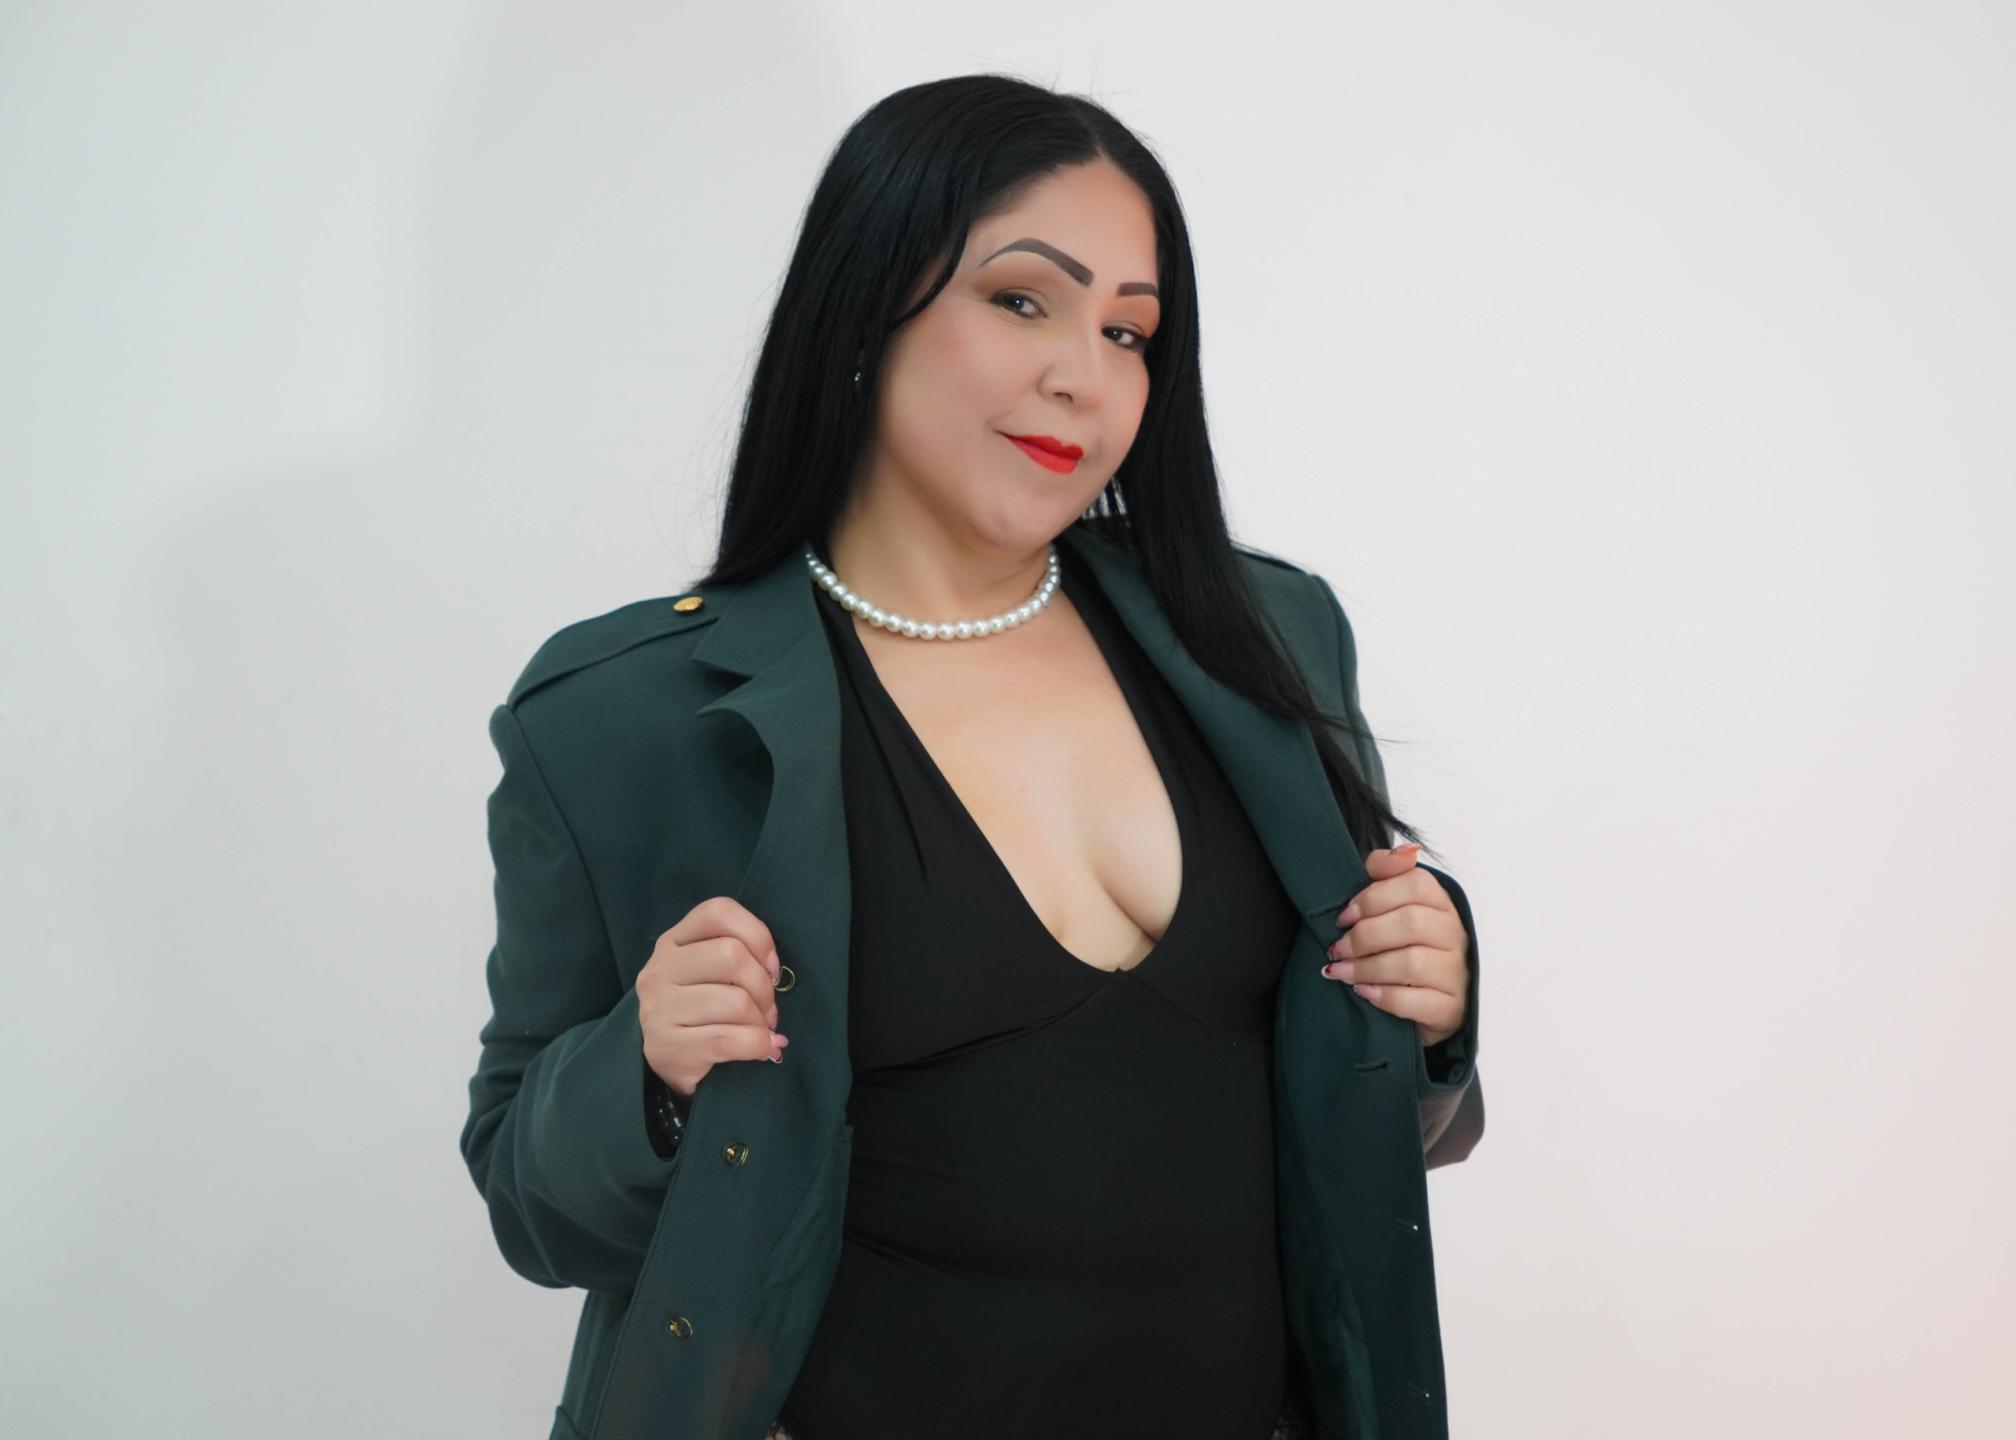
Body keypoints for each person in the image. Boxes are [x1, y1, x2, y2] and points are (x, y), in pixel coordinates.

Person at [460, 74, 1484, 1440]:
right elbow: (528, 1204)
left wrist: (1431, 1010)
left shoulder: (1264, 635)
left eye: (1130, 332)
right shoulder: (623, 711)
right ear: (864, 309)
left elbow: (1363, 1124)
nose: (1084, 376)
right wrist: (643, 1071)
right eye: (1021, 300)